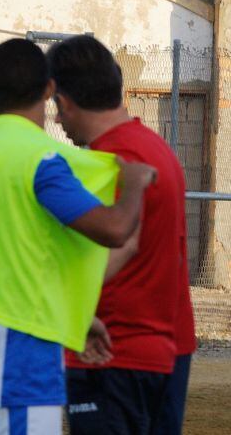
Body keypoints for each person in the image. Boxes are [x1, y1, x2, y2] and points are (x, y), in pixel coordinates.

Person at [0, 38, 155, 434]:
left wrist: (78, 317)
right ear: (49, 90)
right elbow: (114, 230)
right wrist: (133, 183)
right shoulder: (42, 159)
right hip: (20, 356)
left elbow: (24, 255)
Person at [48, 36, 196, 435]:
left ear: (64, 101)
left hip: (112, 352)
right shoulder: (155, 147)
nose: (58, 122)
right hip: (164, 347)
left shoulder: (102, 162)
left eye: (56, 109)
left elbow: (124, 244)